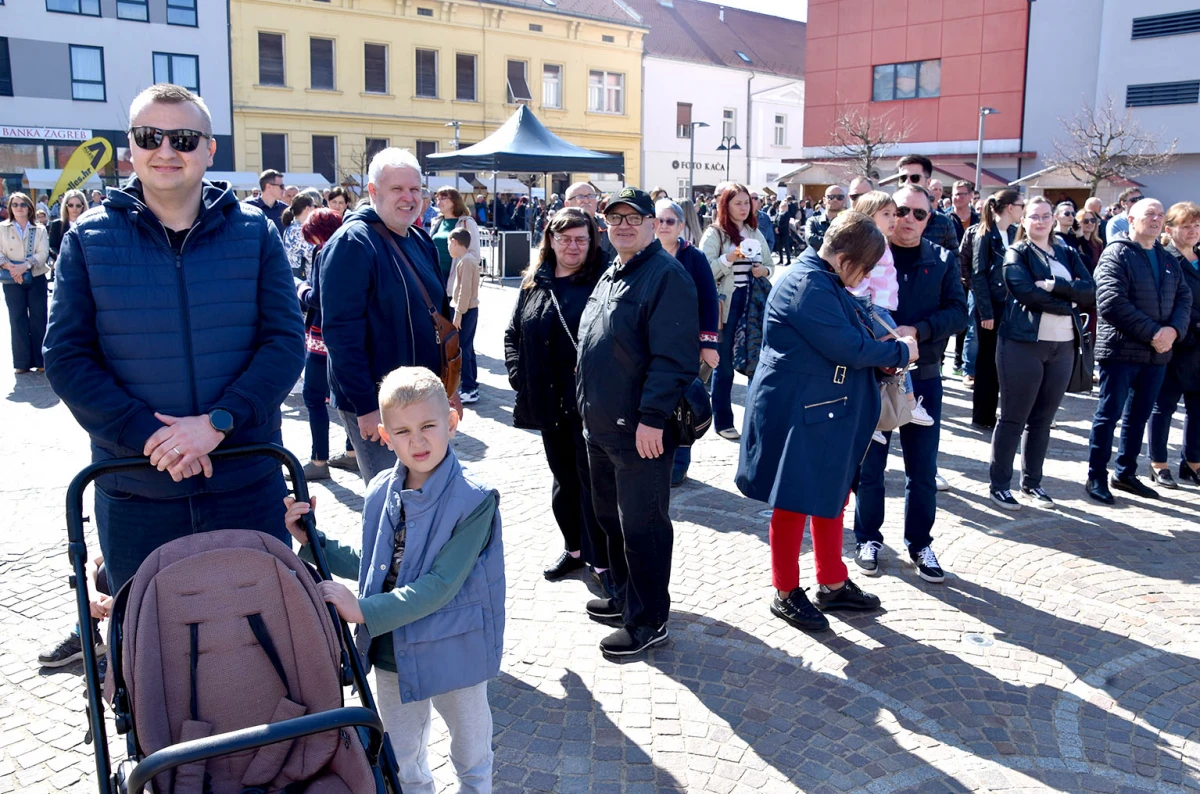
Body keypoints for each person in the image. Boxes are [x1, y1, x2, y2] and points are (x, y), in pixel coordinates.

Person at [43, 83, 305, 594]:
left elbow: (284, 343)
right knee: (147, 650)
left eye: (184, 138)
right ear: (131, 149)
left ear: (209, 149)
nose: (166, 150)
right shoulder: (87, 239)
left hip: (245, 478)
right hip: (136, 487)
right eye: (150, 136)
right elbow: (67, 357)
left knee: (264, 641)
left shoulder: (254, 232)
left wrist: (217, 423)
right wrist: (149, 435)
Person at [283, 366, 504, 794]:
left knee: (472, 753)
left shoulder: (474, 501)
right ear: (383, 435)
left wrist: (361, 609)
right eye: (401, 432)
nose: (416, 441)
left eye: (427, 426)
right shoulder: (381, 489)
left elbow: (440, 584)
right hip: (393, 651)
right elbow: (375, 563)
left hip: (454, 648)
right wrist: (314, 542)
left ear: (452, 423)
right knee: (403, 758)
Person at [738, 212, 917, 631]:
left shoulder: (822, 277)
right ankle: (785, 592)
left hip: (821, 409)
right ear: (843, 256)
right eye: (866, 266)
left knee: (830, 495)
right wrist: (901, 354)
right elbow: (849, 347)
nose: (869, 274)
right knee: (794, 502)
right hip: (801, 411)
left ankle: (832, 582)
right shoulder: (807, 282)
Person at [576, 188, 698, 658]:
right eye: (614, 218)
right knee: (612, 520)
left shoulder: (666, 276)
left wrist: (652, 418)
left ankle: (649, 620)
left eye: (634, 217)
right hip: (601, 425)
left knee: (643, 525)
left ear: (652, 224)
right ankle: (626, 599)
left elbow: (673, 359)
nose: (623, 225)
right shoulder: (614, 270)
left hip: (639, 431)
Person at [852, 185, 967, 583]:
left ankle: (920, 543)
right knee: (872, 466)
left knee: (923, 467)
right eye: (902, 211)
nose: (910, 220)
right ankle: (867, 538)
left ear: (930, 218)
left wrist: (917, 330)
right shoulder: (867, 254)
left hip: (925, 374)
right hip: (874, 373)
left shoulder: (942, 259)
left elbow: (958, 312)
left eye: (920, 214)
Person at [319, 148, 451, 485]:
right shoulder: (352, 243)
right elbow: (340, 335)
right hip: (380, 406)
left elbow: (441, 315)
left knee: (427, 494)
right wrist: (365, 406)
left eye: (415, 189)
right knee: (392, 501)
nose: (409, 198)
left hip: (422, 399)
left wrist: (449, 390)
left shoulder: (419, 239)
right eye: (397, 189)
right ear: (373, 192)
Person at [505, 208, 611, 586]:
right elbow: (512, 334)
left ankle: (601, 559)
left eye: (580, 239)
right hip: (549, 401)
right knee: (563, 479)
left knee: (593, 483)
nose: (572, 246)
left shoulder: (603, 280)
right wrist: (520, 377)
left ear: (592, 241)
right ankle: (575, 549)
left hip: (590, 404)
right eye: (564, 238)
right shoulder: (536, 281)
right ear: (550, 240)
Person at [988, 196, 1095, 511]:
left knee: (1043, 420)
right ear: (1023, 220)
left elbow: (1089, 290)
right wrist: (1068, 301)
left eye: (1046, 215)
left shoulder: (1067, 251)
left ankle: (1032, 483)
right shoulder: (1015, 253)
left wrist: (1054, 286)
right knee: (1012, 418)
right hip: (1022, 345)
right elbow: (1025, 293)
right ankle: (999, 485)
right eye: (1033, 216)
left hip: (1062, 347)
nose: (1040, 221)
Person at [1086, 199, 1194, 504]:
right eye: (1150, 214)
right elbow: (1110, 301)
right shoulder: (1116, 253)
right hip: (1121, 352)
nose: (1157, 219)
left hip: (1157, 355)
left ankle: (1126, 473)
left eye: (1161, 215)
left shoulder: (1168, 259)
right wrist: (1154, 333)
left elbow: (1184, 300)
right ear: (1131, 219)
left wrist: (1173, 332)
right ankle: (1096, 476)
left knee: (1139, 416)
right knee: (1109, 416)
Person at [849, 191, 935, 430]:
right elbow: (858, 279)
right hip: (874, 308)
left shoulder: (880, 242)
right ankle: (908, 403)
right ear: (868, 216)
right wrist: (863, 302)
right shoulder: (870, 244)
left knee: (883, 361)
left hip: (880, 306)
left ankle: (874, 418)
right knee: (900, 350)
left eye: (893, 213)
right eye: (886, 214)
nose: (894, 219)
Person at [654, 198, 721, 486]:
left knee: (684, 402)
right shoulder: (644, 254)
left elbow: (709, 301)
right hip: (650, 344)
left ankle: (680, 461)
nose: (664, 225)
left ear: (681, 225)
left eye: (671, 221)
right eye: (659, 220)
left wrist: (708, 345)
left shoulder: (694, 257)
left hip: (686, 344)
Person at [701, 182, 774, 440]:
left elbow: (770, 264)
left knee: (754, 359)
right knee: (724, 365)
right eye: (738, 203)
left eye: (747, 202)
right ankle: (722, 420)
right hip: (725, 304)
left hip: (752, 303)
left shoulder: (755, 232)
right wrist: (729, 258)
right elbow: (705, 269)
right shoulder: (715, 234)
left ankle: (755, 422)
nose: (744, 208)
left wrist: (762, 270)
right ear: (726, 205)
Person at [1148, 202, 1200, 488]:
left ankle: (1193, 463)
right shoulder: (1166, 259)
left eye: (1196, 225)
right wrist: (1193, 327)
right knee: (1164, 405)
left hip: (1199, 350)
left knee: (1198, 408)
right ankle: (1158, 463)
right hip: (1177, 344)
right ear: (1170, 230)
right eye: (1186, 226)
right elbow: (1173, 301)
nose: (1193, 231)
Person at [294, 208, 345, 482]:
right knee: (346, 397)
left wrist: (300, 288)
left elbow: (318, 298)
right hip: (345, 336)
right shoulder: (350, 247)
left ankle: (319, 460)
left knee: (314, 398)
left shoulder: (324, 253)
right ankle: (351, 453)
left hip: (321, 336)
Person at [970, 189, 1025, 429]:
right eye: (1021, 205)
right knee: (987, 363)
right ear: (1010, 207)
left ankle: (1001, 413)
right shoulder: (985, 234)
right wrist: (986, 312)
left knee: (1006, 361)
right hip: (992, 306)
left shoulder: (1013, 233)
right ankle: (983, 414)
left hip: (1010, 305)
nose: (1023, 210)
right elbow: (978, 275)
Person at [0, 192, 51, 374]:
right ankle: (21, 362)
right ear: (10, 207)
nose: (19, 208)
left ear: (29, 207)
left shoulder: (39, 229)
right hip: (11, 277)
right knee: (17, 318)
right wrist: (11, 267)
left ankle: (41, 360)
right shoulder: (2, 228)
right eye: (15, 204)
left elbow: (43, 253)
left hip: (35, 276)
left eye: (22, 204)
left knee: (39, 317)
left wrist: (25, 266)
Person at [895, 155, 959, 252]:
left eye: (915, 178)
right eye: (903, 178)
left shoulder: (943, 223)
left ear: (928, 182)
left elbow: (953, 263)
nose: (907, 183)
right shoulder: (887, 216)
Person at [447, 228, 481, 405]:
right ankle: (471, 384)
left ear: (454, 242)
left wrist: (458, 314)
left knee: (463, 349)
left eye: (448, 244)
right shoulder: (466, 260)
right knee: (468, 347)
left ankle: (469, 387)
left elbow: (464, 291)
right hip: (468, 309)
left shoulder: (466, 262)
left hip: (466, 310)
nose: (448, 248)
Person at [430, 187, 481, 286]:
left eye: (443, 198)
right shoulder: (437, 221)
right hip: (434, 274)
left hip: (455, 277)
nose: (439, 202)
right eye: (437, 198)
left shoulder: (467, 223)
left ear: (455, 201)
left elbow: (474, 254)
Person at [565, 181, 615, 263]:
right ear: (567, 204)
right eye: (580, 197)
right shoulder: (558, 228)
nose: (586, 200)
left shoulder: (608, 226)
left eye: (591, 196)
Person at [48, 189, 89, 272]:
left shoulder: (88, 225)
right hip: (63, 267)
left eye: (78, 205)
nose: (74, 208)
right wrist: (60, 257)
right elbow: (51, 246)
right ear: (65, 206)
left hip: (84, 268)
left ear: (83, 206)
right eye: (71, 205)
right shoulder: (57, 225)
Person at [280, 193, 317, 277]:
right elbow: (312, 254)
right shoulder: (298, 230)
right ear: (307, 208)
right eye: (314, 206)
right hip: (302, 280)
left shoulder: (294, 226)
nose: (315, 209)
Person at [804, 185, 847, 252]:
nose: (835, 200)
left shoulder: (849, 222)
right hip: (818, 261)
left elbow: (852, 243)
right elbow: (811, 239)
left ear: (844, 200)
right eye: (831, 197)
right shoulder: (813, 221)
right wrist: (839, 243)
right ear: (824, 200)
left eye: (839, 197)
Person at [245, 168, 286, 232]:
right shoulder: (247, 207)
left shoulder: (285, 209)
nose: (284, 189)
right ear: (268, 186)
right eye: (281, 186)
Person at [775, 197, 799, 264]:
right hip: (778, 232)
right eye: (782, 206)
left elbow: (786, 223)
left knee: (786, 246)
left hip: (784, 232)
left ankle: (788, 260)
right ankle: (781, 260)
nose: (783, 207)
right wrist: (776, 228)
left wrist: (779, 228)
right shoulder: (778, 213)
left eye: (785, 206)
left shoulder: (787, 214)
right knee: (779, 246)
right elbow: (775, 221)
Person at [751, 191, 775, 257]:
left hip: (761, 256)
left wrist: (767, 256)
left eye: (755, 198)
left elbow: (771, 239)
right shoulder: (741, 217)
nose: (753, 200)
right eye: (750, 198)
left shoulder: (765, 217)